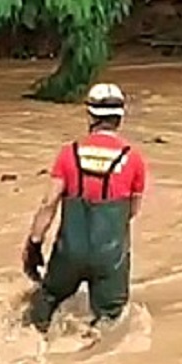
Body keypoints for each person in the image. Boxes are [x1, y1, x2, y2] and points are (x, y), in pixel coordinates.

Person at [21, 82, 148, 333]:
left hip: (69, 251)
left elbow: (49, 204)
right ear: (119, 117)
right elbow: (132, 211)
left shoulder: (70, 153)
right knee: (110, 323)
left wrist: (33, 245)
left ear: (90, 115)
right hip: (110, 256)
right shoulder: (133, 159)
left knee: (45, 302)